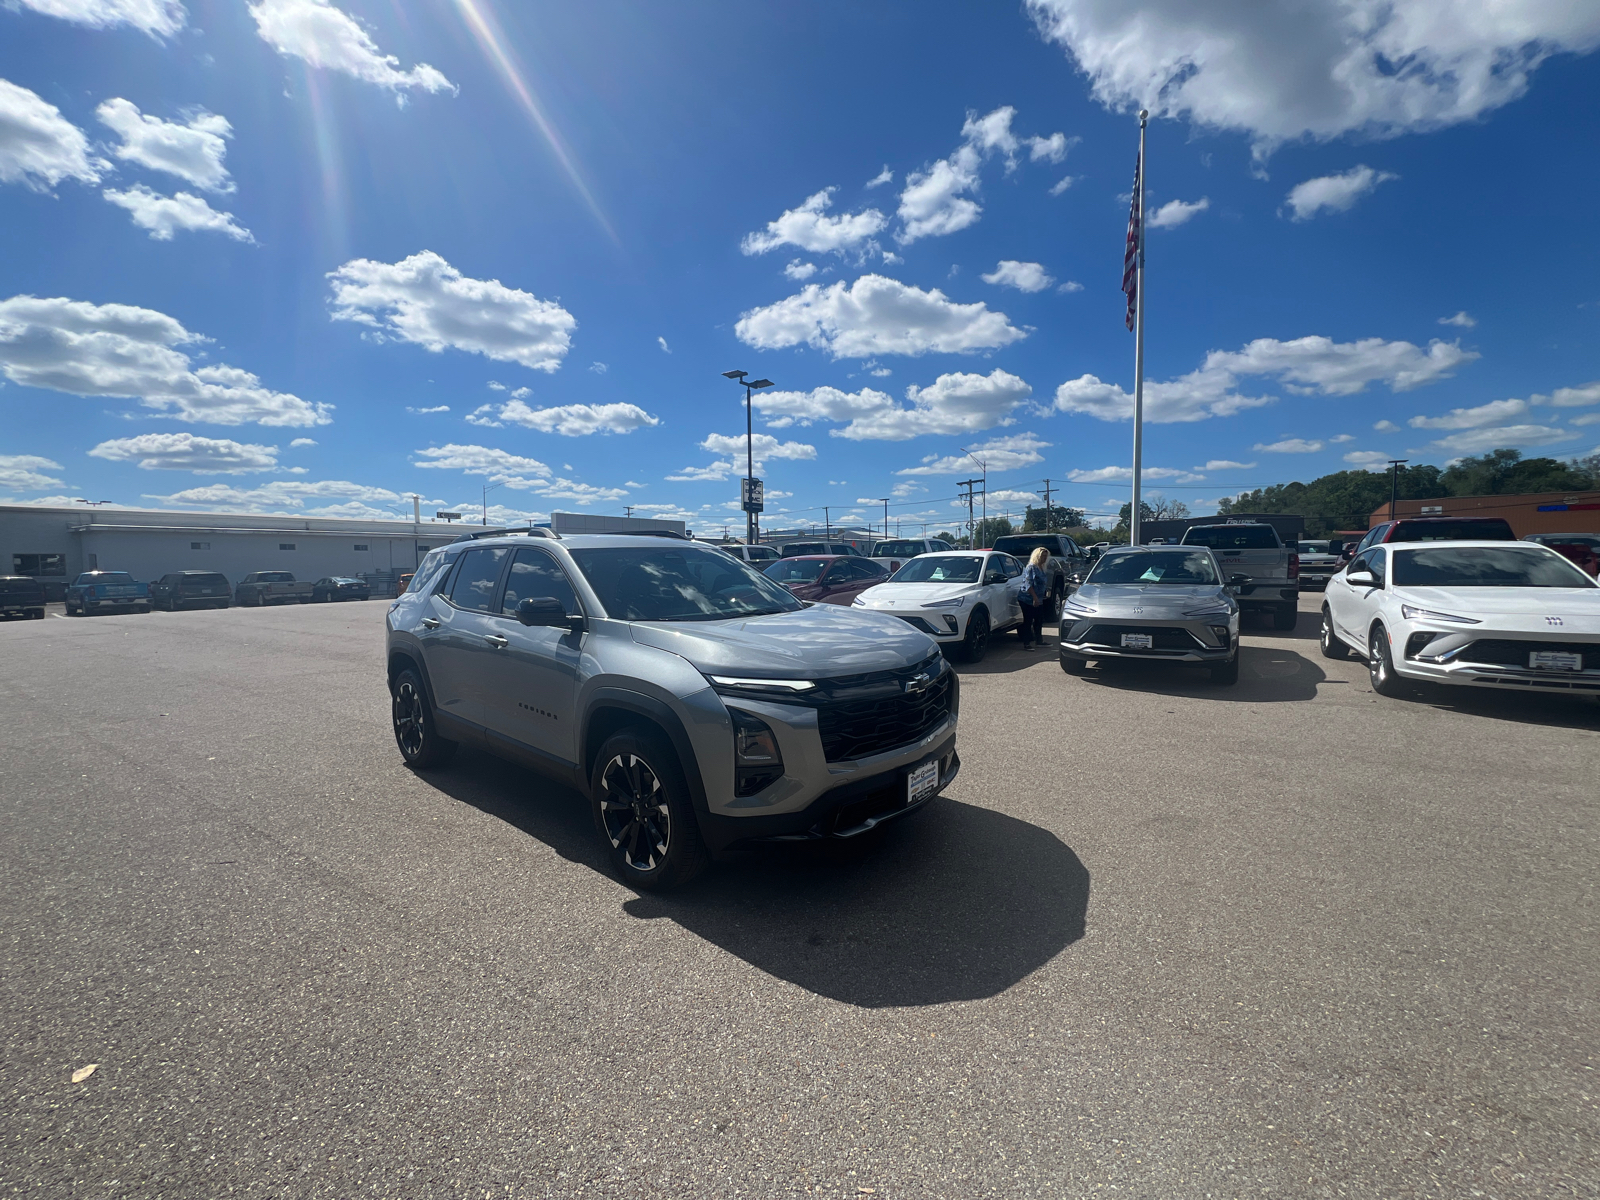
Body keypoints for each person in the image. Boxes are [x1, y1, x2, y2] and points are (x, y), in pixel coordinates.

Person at [1016, 546, 1050, 650]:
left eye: (1046, 556)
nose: (1044, 558)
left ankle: (1039, 641)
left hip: (1038, 598)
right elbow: (1028, 584)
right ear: (1037, 556)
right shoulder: (1031, 567)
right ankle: (1027, 644)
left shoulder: (1042, 567)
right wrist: (1034, 598)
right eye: (1042, 556)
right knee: (1028, 620)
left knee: (1039, 619)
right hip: (1027, 598)